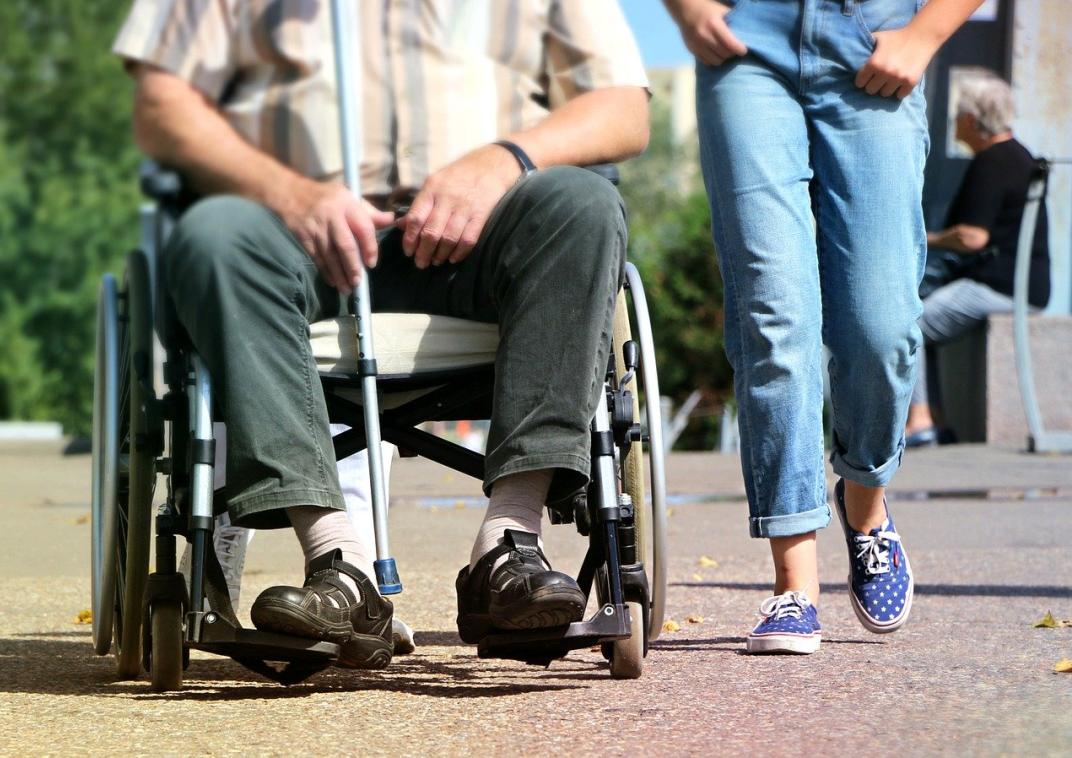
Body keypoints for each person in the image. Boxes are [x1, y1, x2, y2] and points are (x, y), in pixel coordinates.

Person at [113, 0, 649, 669]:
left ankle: (509, 546)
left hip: (483, 234)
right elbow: (163, 105)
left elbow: (624, 107)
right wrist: (287, 190)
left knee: (584, 205)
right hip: (292, 234)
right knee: (214, 236)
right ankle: (339, 566)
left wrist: (506, 157)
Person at [663, 0, 982, 654]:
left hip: (874, 36)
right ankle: (794, 585)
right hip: (746, 43)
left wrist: (928, 32)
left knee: (880, 323)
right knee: (773, 313)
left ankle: (864, 501)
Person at [905, 70, 1050, 447]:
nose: (954, 124)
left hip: (999, 286)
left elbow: (972, 237)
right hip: (1020, 284)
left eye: (957, 117)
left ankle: (920, 419)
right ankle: (935, 419)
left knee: (913, 323)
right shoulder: (1018, 156)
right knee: (925, 320)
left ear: (971, 119)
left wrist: (923, 238)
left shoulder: (993, 161)